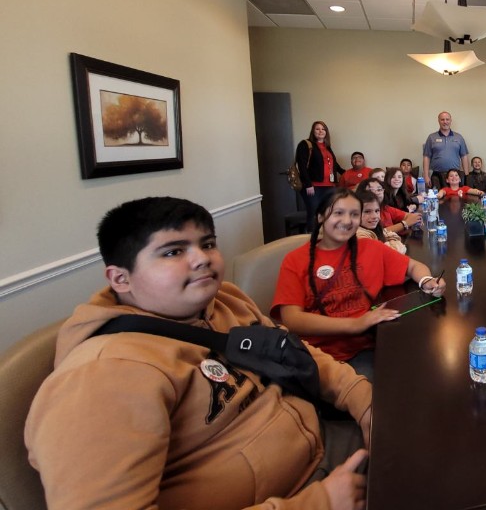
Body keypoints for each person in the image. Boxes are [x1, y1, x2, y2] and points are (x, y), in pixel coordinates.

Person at [25, 196, 372, 509]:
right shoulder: (102, 377)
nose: (202, 259)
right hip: (304, 492)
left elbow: (296, 353)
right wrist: (318, 502)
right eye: (173, 251)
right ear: (120, 279)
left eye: (207, 244)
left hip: (326, 441)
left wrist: (364, 401)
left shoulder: (225, 300)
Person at [272, 188, 445, 382]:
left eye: (354, 214)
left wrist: (427, 281)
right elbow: (291, 318)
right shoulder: (295, 260)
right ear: (320, 216)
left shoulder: (370, 247)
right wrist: (354, 324)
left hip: (365, 348)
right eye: (338, 213)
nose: (347, 221)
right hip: (317, 355)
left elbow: (413, 266)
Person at [296, 120, 344, 232]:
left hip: (330, 186)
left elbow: (333, 164)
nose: (320, 131)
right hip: (313, 187)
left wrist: (345, 173)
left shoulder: (327, 146)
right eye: (317, 129)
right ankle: (312, 239)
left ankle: (326, 237)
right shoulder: (305, 144)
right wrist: (308, 184)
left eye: (323, 129)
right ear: (313, 131)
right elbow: (302, 166)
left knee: (328, 212)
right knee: (314, 213)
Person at [422, 111, 469, 189]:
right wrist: (426, 176)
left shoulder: (459, 137)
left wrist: (466, 176)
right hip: (437, 176)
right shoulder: (431, 137)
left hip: (454, 176)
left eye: (447, 119)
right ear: (438, 121)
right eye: (442, 119)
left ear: (451, 121)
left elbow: (464, 156)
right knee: (438, 199)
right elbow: (426, 157)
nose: (445, 122)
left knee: (456, 199)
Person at [356, 190, 407, 254]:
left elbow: (390, 235)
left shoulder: (375, 229)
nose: (374, 216)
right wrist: (392, 242)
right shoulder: (359, 236)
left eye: (377, 211)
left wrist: (390, 241)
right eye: (367, 211)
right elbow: (392, 254)